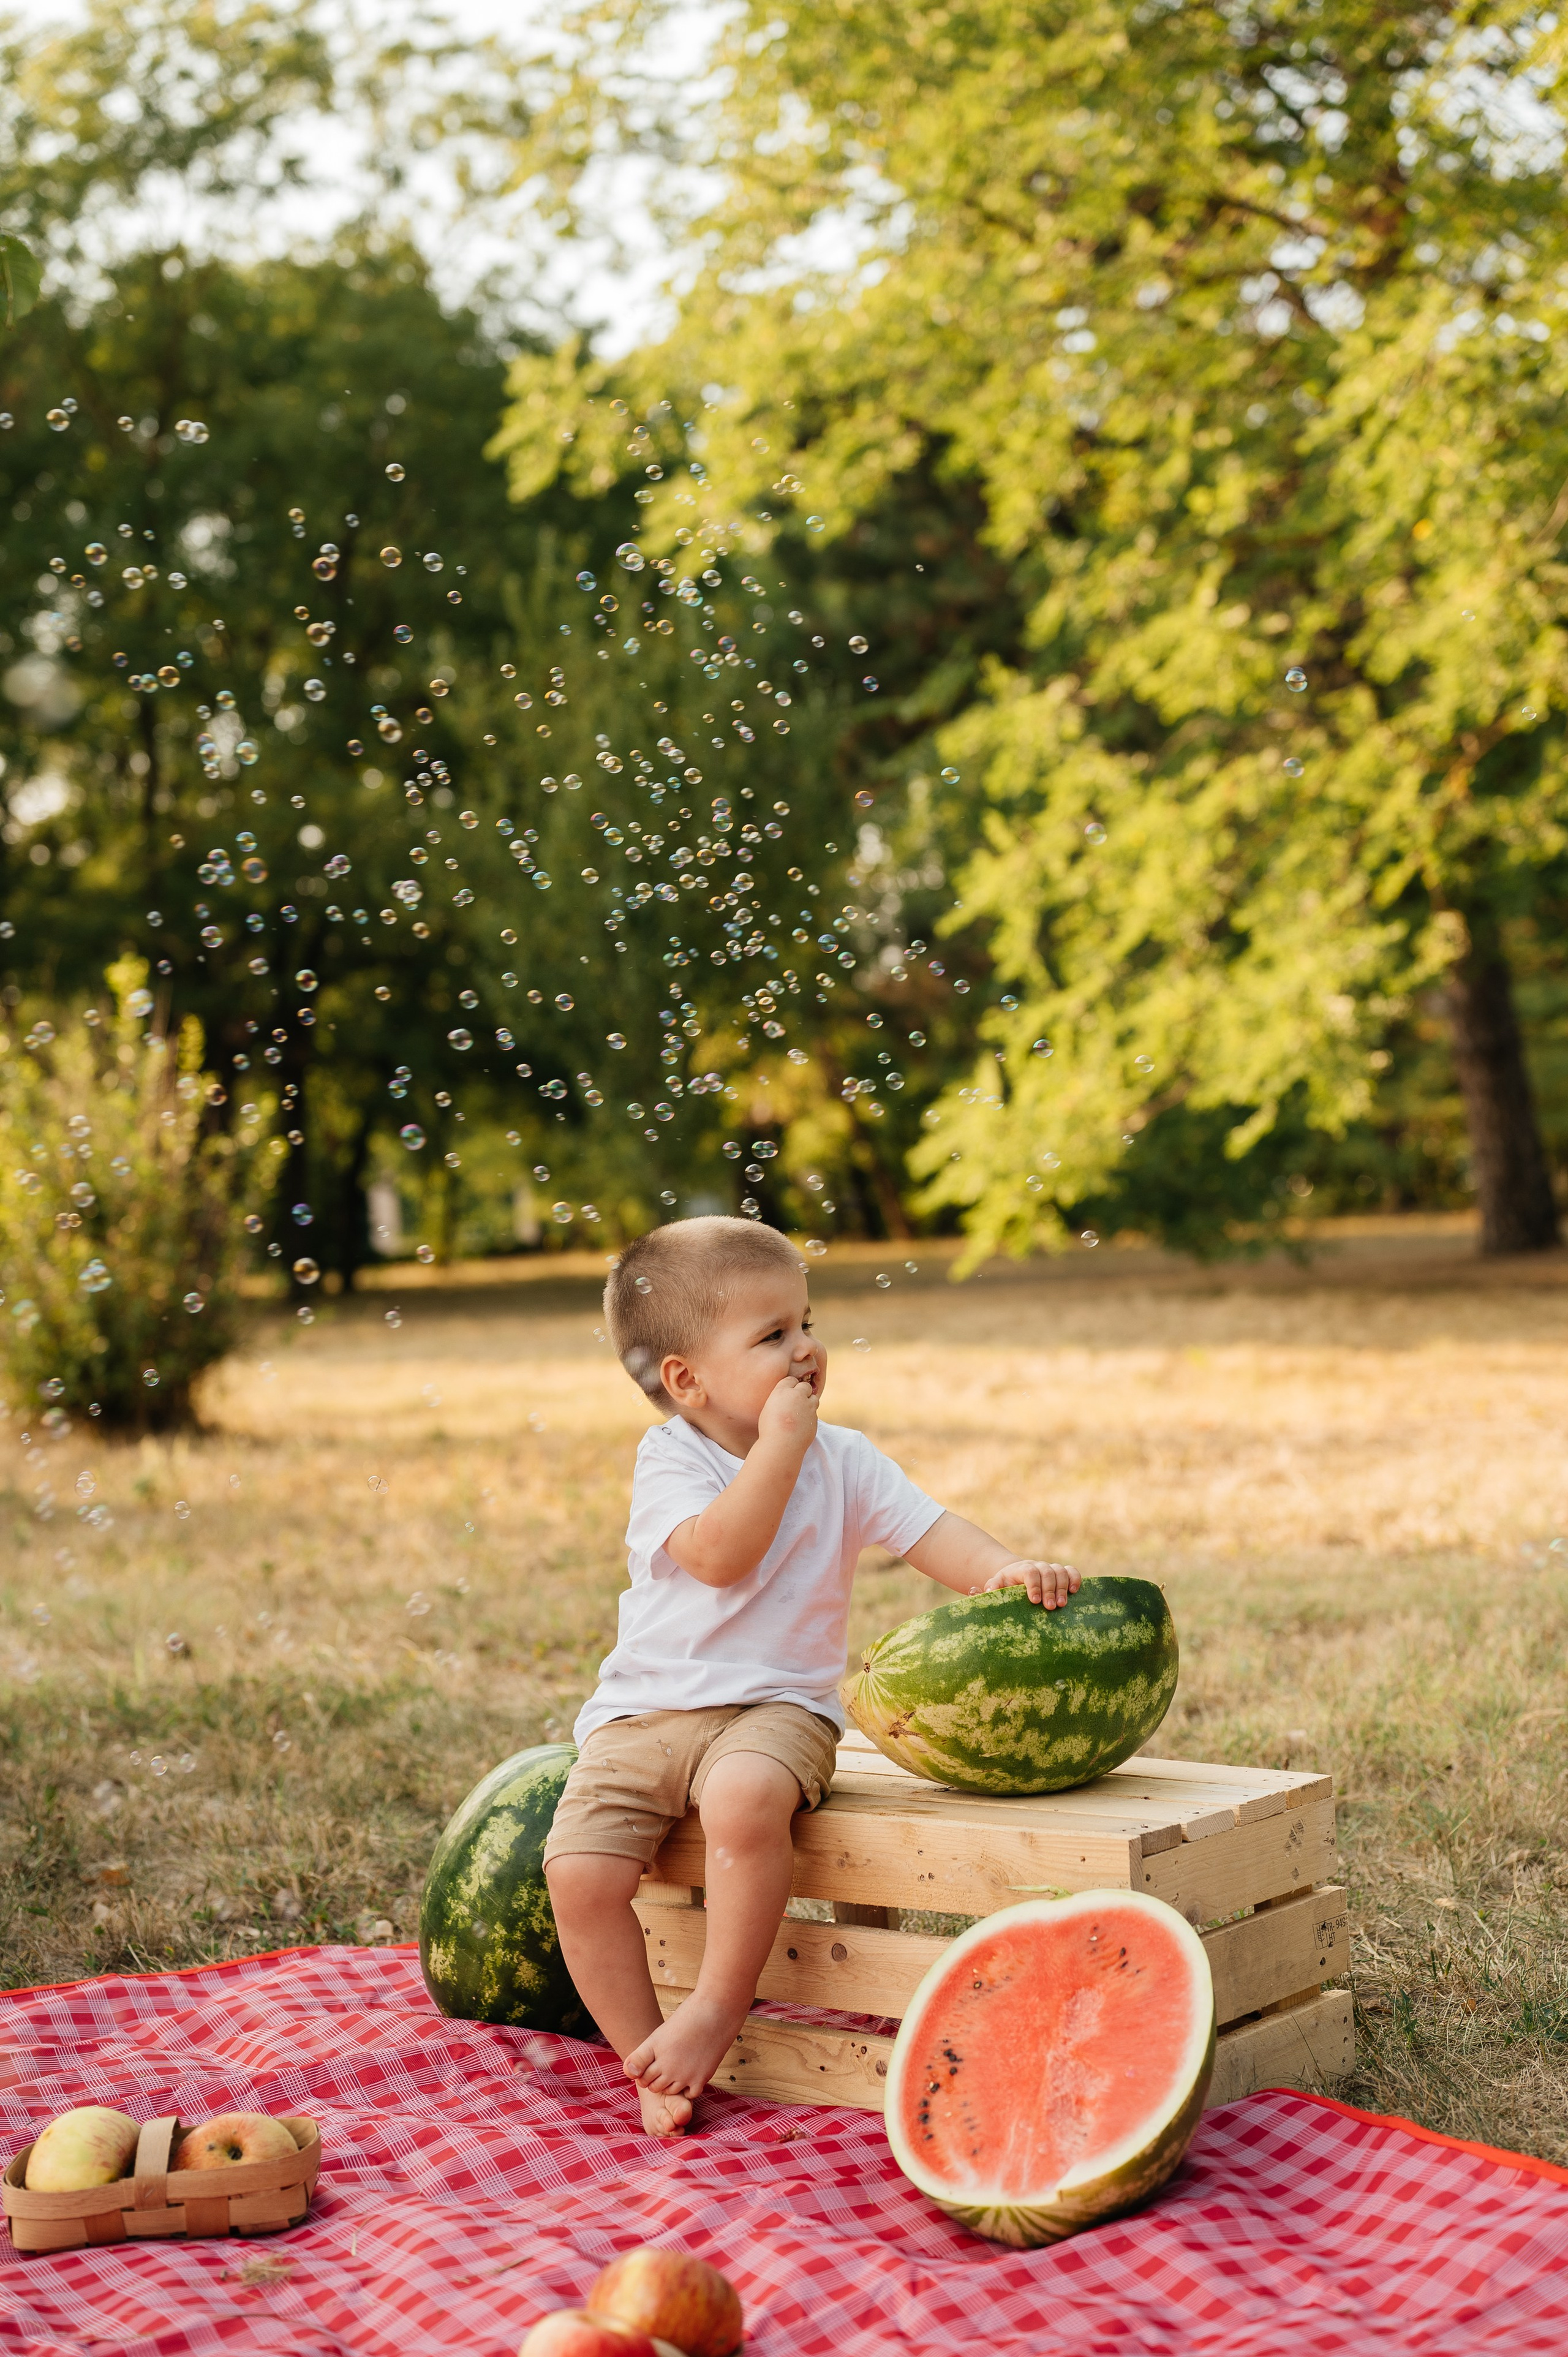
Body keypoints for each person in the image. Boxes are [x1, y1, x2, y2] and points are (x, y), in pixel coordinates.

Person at [542, 1215, 1080, 2135]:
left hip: (777, 1707)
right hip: (644, 1712)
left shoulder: (845, 1458)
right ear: (686, 1380)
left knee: (745, 1799)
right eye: (772, 1335)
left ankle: (717, 2005)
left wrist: (1001, 1570)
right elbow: (719, 1555)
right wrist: (781, 1450)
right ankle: (648, 2058)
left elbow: (931, 1531)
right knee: (577, 1874)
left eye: (807, 1323)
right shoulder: (671, 1459)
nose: (805, 1350)